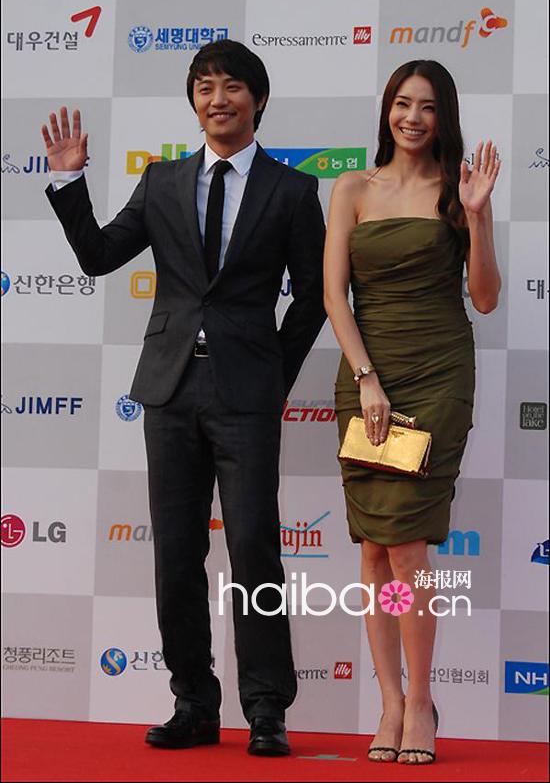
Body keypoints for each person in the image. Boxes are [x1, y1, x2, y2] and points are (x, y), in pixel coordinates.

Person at [41, 39, 326, 756]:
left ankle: (266, 707)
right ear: (194, 102)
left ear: (258, 99)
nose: (217, 99)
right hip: (169, 389)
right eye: (204, 87)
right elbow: (99, 256)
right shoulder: (163, 180)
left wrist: (272, 374)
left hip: (246, 392)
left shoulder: (292, 191)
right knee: (175, 550)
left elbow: (314, 296)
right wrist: (70, 182)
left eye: (231, 86)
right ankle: (194, 701)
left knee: (254, 546)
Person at [324, 59, 501, 765]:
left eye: (427, 106)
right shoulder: (352, 188)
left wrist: (478, 217)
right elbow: (334, 295)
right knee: (373, 548)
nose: (413, 117)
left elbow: (483, 297)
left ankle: (422, 700)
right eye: (402, 103)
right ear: (387, 110)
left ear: (443, 115)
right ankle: (390, 701)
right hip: (368, 375)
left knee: (406, 546)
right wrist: (366, 378)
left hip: (437, 376)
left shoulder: (458, 191)